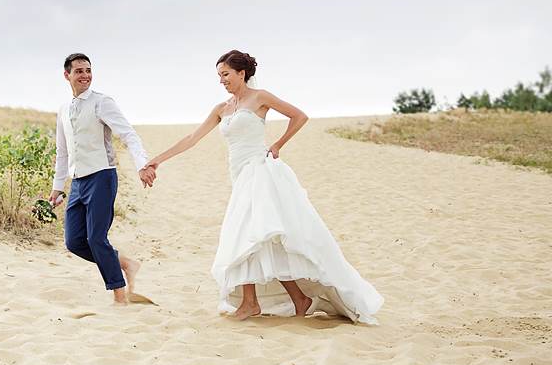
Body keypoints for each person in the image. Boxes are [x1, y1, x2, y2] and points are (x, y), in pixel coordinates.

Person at [144, 50, 383, 323]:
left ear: (241, 73)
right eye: (219, 76)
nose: (222, 80)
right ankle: (298, 298)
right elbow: (191, 138)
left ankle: (250, 303)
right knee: (262, 236)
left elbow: (300, 116)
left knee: (247, 232)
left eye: (226, 74)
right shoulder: (221, 109)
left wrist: (279, 144)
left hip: (260, 171)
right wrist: (157, 161)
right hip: (239, 175)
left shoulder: (260, 98)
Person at [48, 52, 156, 305]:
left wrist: (142, 165)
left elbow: (128, 134)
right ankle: (126, 263)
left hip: (102, 176)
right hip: (78, 182)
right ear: (67, 75)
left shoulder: (102, 102)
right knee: (74, 241)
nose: (85, 75)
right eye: (79, 71)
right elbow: (62, 152)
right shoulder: (63, 110)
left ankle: (120, 295)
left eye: (88, 70)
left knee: (96, 238)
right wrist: (57, 188)